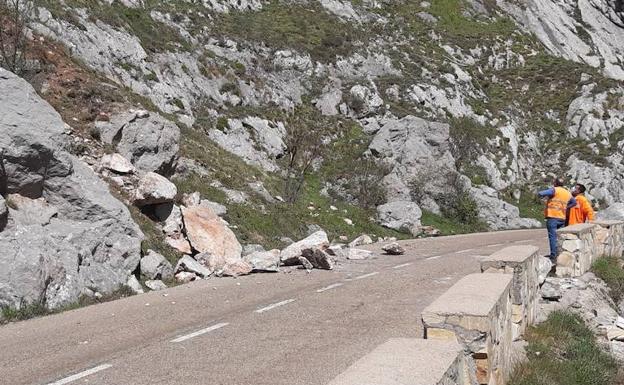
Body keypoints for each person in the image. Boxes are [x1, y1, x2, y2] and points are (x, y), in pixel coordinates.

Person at [538, 179, 576, 261]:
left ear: (555, 183)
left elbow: (541, 193)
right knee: (559, 237)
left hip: (552, 216)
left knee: (552, 236)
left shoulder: (554, 190)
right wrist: (566, 207)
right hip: (562, 217)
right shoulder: (567, 193)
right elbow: (574, 202)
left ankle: (553, 256)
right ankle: (560, 253)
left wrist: (541, 196)